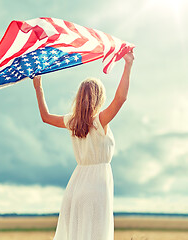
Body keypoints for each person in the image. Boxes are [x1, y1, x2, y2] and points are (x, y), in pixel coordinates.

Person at [32, 51, 134, 240]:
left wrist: (38, 86)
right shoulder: (99, 121)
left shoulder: (72, 122)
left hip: (75, 188)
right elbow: (121, 99)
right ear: (99, 98)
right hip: (96, 188)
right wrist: (128, 65)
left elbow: (45, 117)